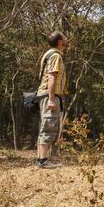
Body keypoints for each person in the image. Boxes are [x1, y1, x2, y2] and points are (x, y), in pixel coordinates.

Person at [35, 31, 69, 169]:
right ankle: (43, 160)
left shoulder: (50, 54)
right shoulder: (55, 56)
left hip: (48, 94)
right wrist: (51, 99)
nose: (67, 40)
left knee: (45, 125)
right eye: (65, 38)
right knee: (49, 125)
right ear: (60, 42)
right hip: (50, 95)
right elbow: (52, 77)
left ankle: (40, 159)